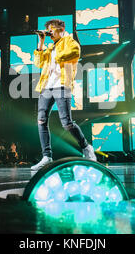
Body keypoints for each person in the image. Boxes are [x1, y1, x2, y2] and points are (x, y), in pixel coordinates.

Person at [31, 19, 96, 171]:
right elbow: (38, 63)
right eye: (48, 30)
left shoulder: (69, 41)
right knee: (41, 121)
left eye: (51, 30)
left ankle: (86, 147)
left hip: (62, 85)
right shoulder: (49, 47)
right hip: (46, 86)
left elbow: (75, 52)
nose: (50, 33)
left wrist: (56, 53)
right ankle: (46, 156)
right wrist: (41, 42)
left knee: (66, 122)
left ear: (60, 29)